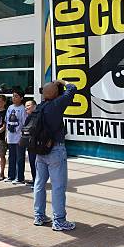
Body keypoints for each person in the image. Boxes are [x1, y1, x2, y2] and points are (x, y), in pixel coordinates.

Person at [33, 80, 77, 231]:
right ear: (57, 93)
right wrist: (62, 82)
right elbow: (72, 88)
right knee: (58, 186)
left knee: (39, 184)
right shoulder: (57, 105)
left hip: (40, 150)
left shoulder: (39, 107)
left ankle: (39, 216)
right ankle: (59, 220)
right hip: (55, 150)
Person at [5, 89, 27, 184]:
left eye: (16, 96)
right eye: (13, 96)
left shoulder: (23, 109)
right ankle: (11, 175)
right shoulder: (10, 107)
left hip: (19, 137)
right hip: (10, 136)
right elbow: (7, 122)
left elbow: (24, 123)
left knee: (20, 158)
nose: (14, 98)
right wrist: (6, 134)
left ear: (21, 98)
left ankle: (20, 177)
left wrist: (22, 137)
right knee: (11, 157)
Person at [24, 99, 37, 187]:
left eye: (28, 106)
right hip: (30, 143)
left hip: (36, 144)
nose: (26, 108)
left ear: (34, 106)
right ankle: (34, 179)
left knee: (36, 163)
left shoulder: (37, 116)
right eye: (25, 106)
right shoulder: (29, 117)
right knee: (32, 162)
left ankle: (37, 181)